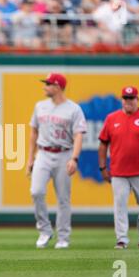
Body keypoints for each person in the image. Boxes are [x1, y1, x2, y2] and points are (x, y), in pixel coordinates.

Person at [26, 73, 87, 249]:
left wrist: (74, 158)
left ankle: (63, 237)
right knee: (36, 191)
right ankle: (45, 230)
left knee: (63, 199)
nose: (44, 86)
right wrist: (31, 158)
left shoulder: (73, 109)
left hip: (64, 153)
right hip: (43, 154)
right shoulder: (40, 106)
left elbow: (78, 136)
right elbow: (33, 133)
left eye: (48, 83)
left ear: (58, 87)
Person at [98, 86, 139, 249]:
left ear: (137, 99)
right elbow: (103, 144)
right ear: (122, 100)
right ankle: (122, 238)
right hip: (119, 172)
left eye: (131, 98)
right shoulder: (112, 118)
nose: (128, 101)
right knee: (120, 205)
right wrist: (103, 167)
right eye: (125, 98)